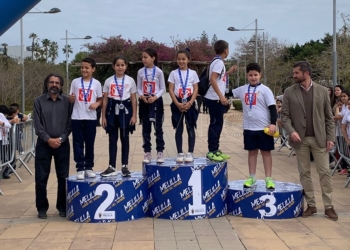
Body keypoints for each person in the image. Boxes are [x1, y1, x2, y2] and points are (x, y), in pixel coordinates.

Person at [281, 61, 337, 221]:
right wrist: (291, 132)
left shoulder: (322, 91)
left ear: (306, 73)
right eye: (293, 73)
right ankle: (311, 205)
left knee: (324, 172)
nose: (294, 75)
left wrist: (330, 138)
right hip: (300, 140)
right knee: (304, 173)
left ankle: (329, 206)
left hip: (320, 139)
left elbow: (329, 117)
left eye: (296, 73)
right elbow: (284, 116)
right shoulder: (289, 92)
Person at [33, 73, 73, 219]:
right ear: (47, 84)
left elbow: (70, 123)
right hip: (44, 144)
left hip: (62, 144)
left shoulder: (68, 101)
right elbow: (37, 125)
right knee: (41, 178)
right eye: (51, 82)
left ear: (61, 85)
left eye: (57, 82)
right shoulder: (38, 101)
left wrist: (61, 139)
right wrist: (48, 139)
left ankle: (62, 207)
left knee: (63, 177)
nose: (54, 85)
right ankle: (42, 208)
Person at [232, 63, 277, 189]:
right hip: (248, 128)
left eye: (256, 75)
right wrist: (226, 74)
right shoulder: (242, 89)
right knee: (252, 153)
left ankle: (268, 178)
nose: (253, 77)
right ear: (247, 75)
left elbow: (272, 107)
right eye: (251, 75)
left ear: (260, 75)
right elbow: (227, 93)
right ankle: (252, 176)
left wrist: (273, 123)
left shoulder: (265, 89)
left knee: (266, 153)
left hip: (264, 128)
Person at [100, 56, 137, 177]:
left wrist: (134, 115)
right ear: (113, 66)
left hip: (126, 110)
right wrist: (103, 116)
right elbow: (105, 99)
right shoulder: (108, 81)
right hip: (112, 110)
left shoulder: (130, 80)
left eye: (122, 65)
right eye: (117, 65)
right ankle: (111, 166)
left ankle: (125, 165)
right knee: (112, 139)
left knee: (125, 139)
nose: (120, 67)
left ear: (126, 66)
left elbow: (133, 99)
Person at [68, 57, 102, 180]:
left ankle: (88, 167)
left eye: (87, 67)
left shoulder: (96, 83)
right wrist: (70, 99)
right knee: (77, 143)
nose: (84, 69)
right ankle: (80, 168)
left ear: (93, 69)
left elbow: (100, 99)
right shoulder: (75, 82)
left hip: (91, 118)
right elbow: (71, 97)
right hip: (77, 117)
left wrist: (97, 104)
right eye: (82, 67)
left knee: (89, 143)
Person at [204, 40, 236, 162]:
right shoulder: (218, 62)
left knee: (218, 124)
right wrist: (221, 97)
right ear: (226, 50)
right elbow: (212, 79)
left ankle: (215, 149)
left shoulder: (216, 61)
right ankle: (212, 150)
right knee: (215, 124)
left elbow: (218, 78)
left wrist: (227, 73)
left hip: (215, 98)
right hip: (214, 99)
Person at [168, 49, 199, 163]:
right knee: (179, 128)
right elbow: (170, 89)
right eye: (179, 59)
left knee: (190, 127)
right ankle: (180, 152)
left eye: (183, 59)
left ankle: (190, 152)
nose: (181, 61)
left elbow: (196, 88)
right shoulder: (173, 73)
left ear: (188, 60)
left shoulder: (193, 73)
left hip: (189, 102)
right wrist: (177, 103)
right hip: (178, 103)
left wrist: (191, 102)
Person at [137, 48, 166, 164]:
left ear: (153, 58)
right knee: (146, 128)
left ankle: (160, 151)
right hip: (144, 101)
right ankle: (147, 152)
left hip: (156, 101)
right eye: (142, 57)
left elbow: (163, 88)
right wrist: (142, 96)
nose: (143, 59)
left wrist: (155, 97)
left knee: (158, 128)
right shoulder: (140, 72)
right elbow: (139, 87)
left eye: (146, 57)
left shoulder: (159, 71)